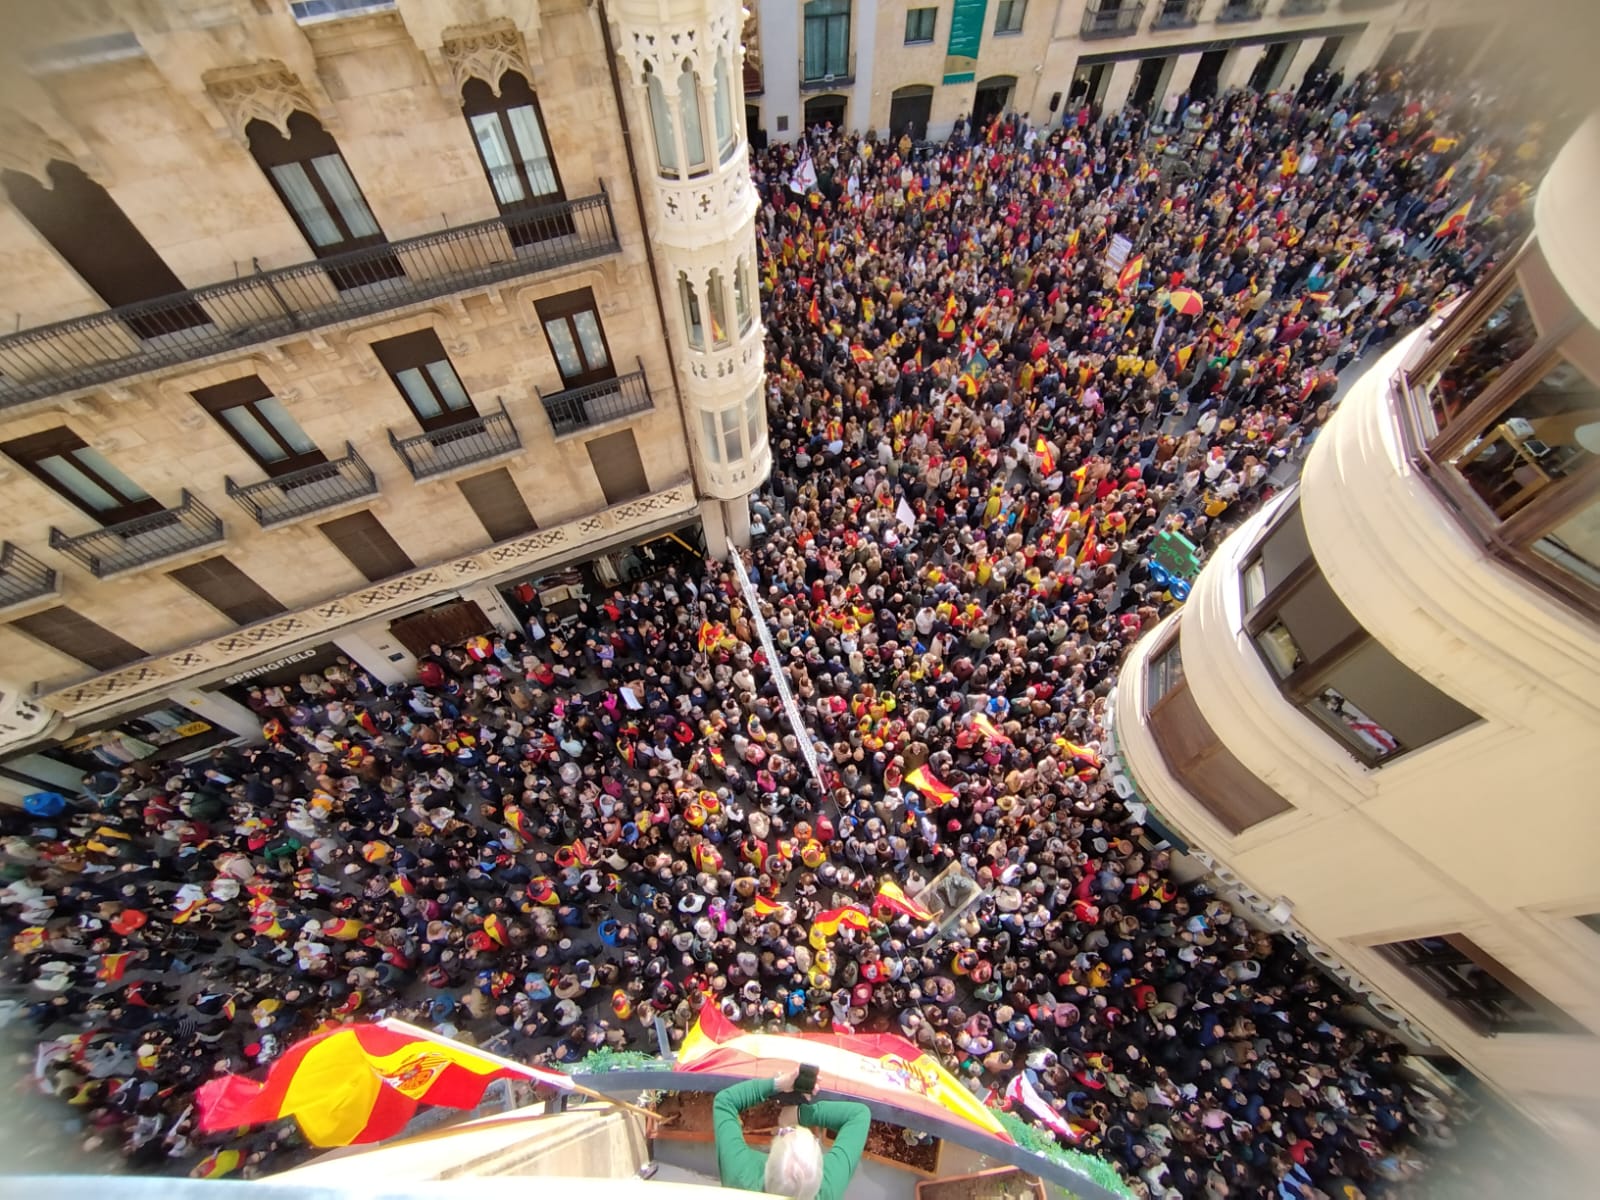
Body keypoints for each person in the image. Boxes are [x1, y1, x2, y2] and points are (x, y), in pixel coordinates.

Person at [713, 1066, 870, 1200]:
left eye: (786, 1131)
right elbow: (858, 1115)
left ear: (767, 1166)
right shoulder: (827, 1189)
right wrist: (801, 1115)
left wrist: (778, 1084)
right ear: (819, 1177)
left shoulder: (741, 1176)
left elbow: (725, 1102)